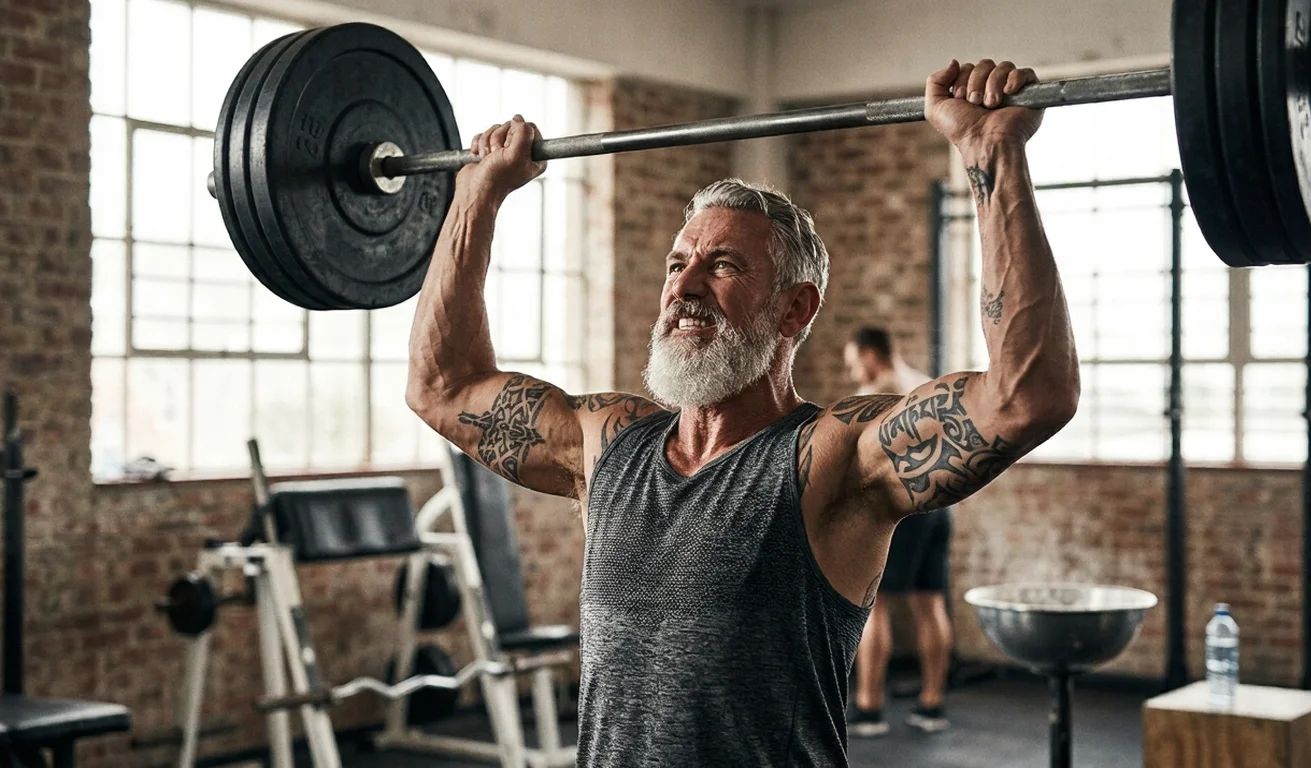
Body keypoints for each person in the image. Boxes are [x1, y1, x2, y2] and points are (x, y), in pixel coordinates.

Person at [407, 58, 1079, 767]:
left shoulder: (830, 459)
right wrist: (474, 197)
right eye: (676, 264)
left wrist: (990, 155)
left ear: (795, 307)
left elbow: (1025, 395)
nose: (686, 286)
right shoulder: (609, 444)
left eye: (723, 266)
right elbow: (442, 387)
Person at [842, 327, 955, 737]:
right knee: (930, 604)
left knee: (876, 604)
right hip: (940, 507)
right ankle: (932, 704)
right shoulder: (924, 385)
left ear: (872, 355)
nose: (855, 374)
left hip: (903, 509)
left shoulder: (880, 394)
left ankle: (870, 708)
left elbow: (865, 463)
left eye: (855, 363)